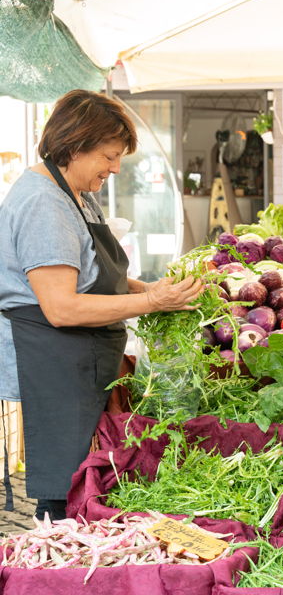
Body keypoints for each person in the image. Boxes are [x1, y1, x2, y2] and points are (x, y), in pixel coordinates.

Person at [0, 90, 203, 520]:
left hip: (81, 356)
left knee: (86, 475)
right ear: (74, 146)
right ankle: (53, 555)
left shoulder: (76, 191)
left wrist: (147, 289)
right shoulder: (44, 203)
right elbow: (61, 307)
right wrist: (150, 302)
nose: (114, 168)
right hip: (53, 358)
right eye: (109, 157)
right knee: (63, 485)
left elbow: (94, 270)